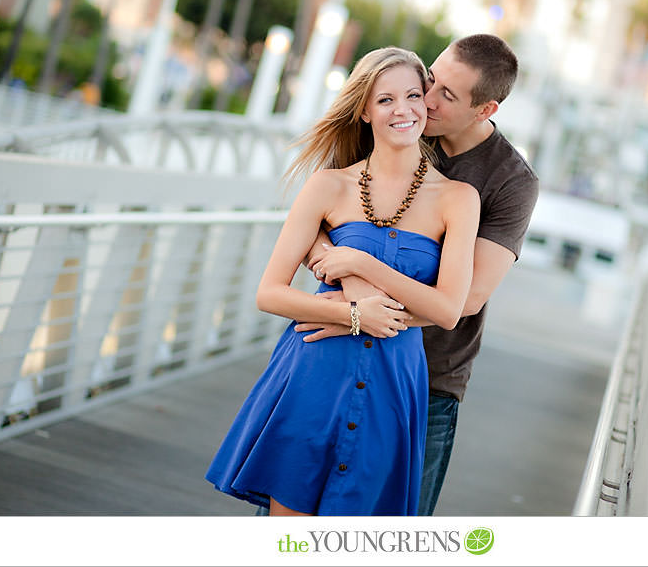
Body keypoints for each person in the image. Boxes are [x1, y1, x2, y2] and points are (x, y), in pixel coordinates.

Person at [204, 47, 480, 516]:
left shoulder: (458, 199)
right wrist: (352, 314)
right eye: (386, 99)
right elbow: (270, 292)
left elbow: (448, 309)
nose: (403, 110)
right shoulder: (328, 186)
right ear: (365, 111)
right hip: (314, 374)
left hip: (394, 387)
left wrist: (359, 264)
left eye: (414, 95)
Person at [296, 34, 539, 516]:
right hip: (336, 354)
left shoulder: (509, 181)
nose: (425, 99)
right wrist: (351, 303)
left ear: (485, 109)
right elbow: (312, 226)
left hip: (428, 378)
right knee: (294, 506)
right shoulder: (397, 117)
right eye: (432, 77)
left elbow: (466, 299)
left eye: (447, 95)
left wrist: (362, 310)